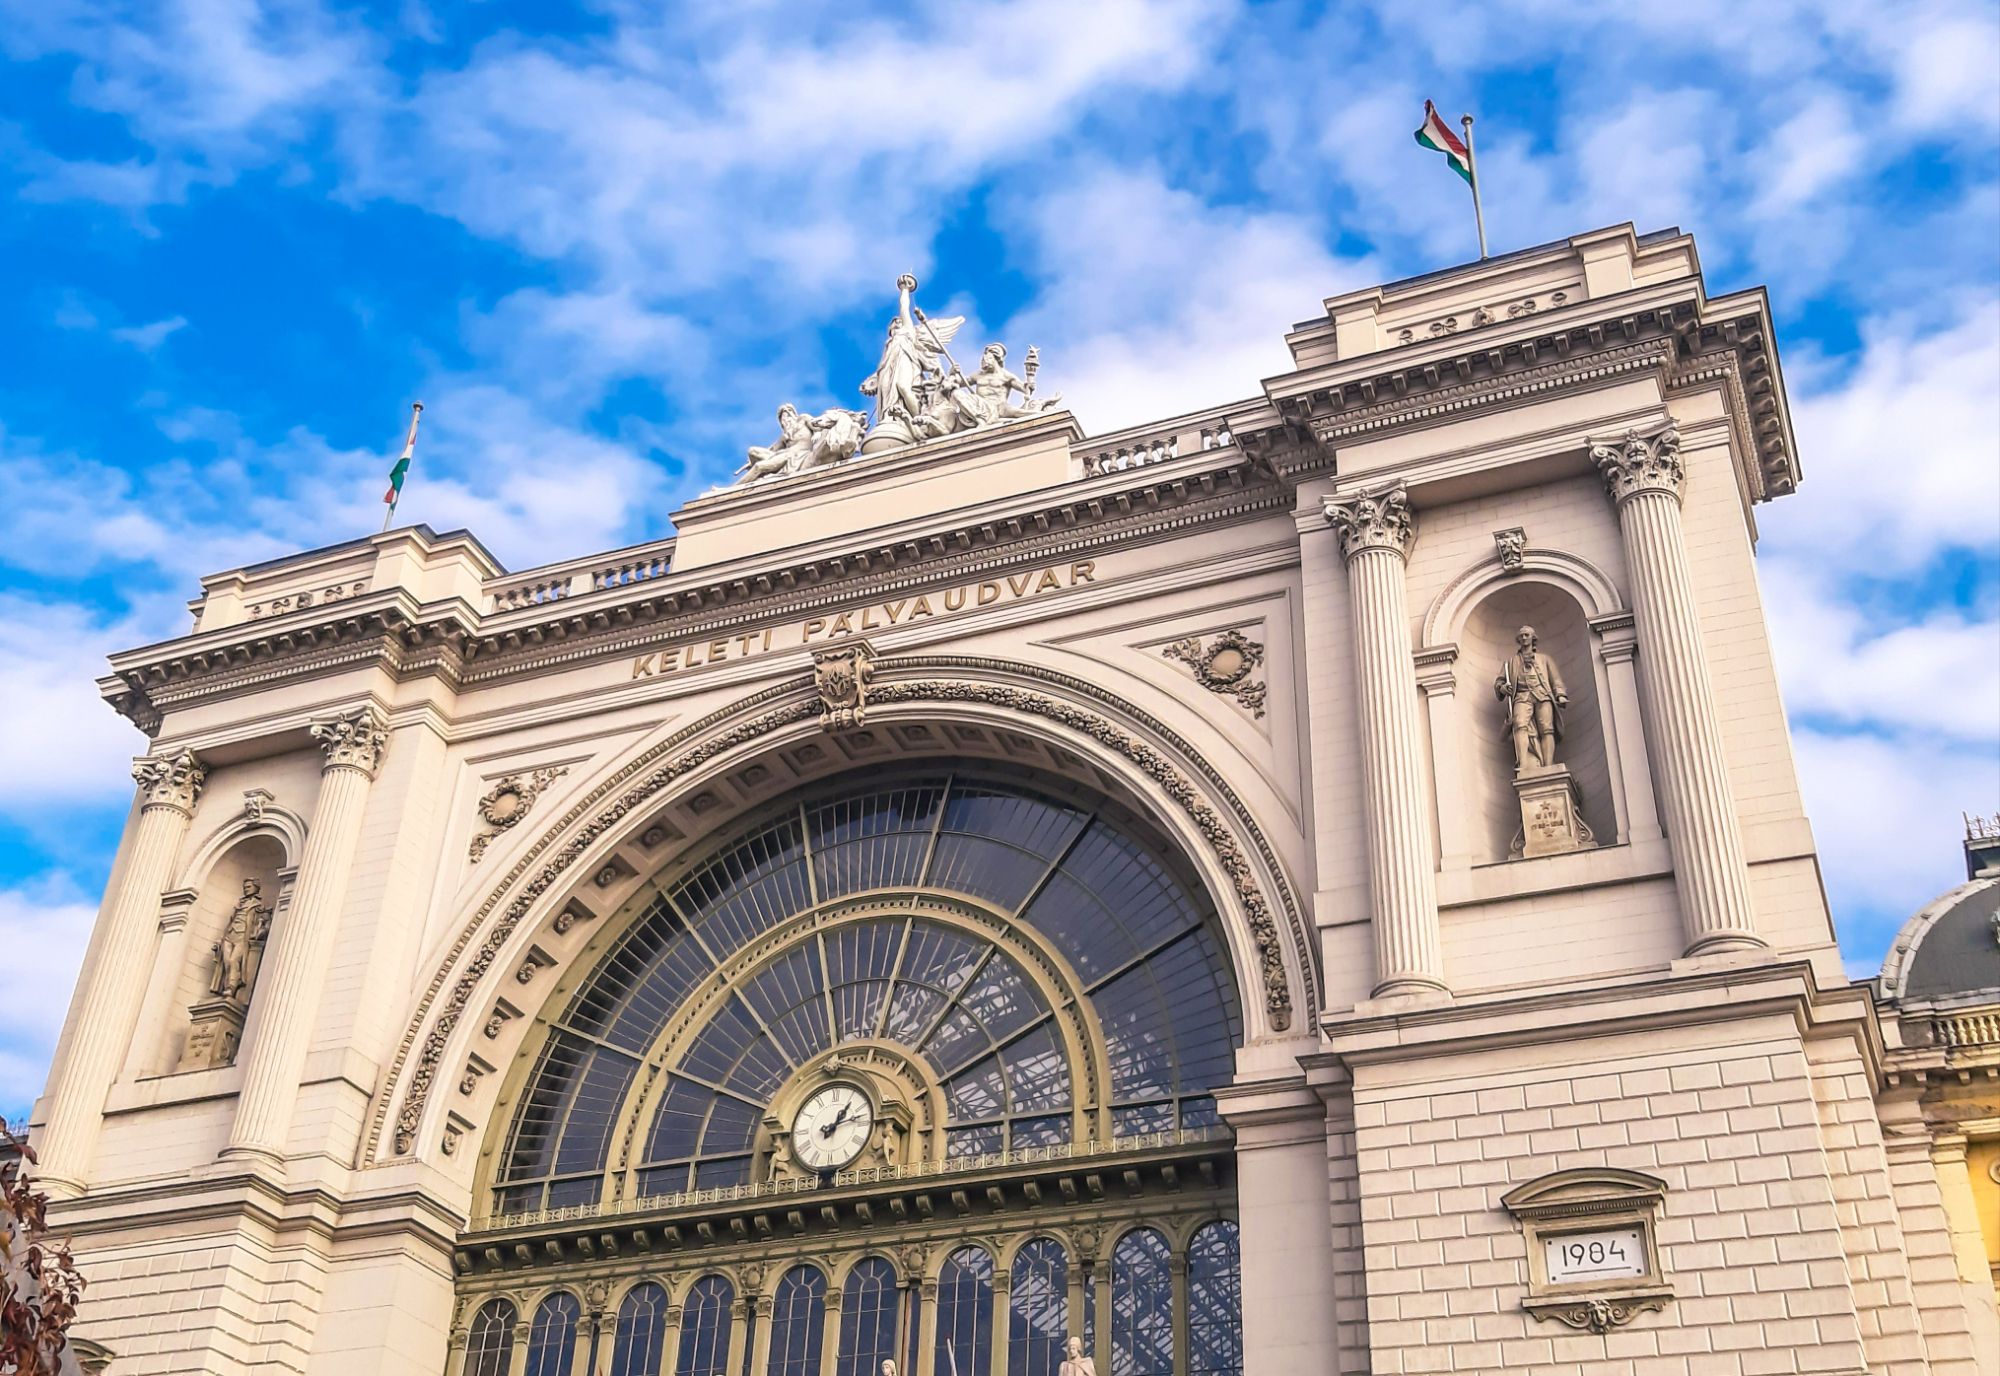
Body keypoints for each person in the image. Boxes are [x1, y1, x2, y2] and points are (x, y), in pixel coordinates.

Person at [1494, 625, 1567, 772]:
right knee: (1519, 724)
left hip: (1542, 695)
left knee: (1547, 729)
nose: (1523, 638)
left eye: (1526, 635)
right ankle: (1522, 763)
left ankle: (1548, 765)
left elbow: (1555, 679)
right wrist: (1502, 688)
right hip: (1522, 696)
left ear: (1533, 638)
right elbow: (1499, 682)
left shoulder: (1544, 659)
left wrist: (1560, 694)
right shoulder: (1511, 662)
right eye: (1521, 636)